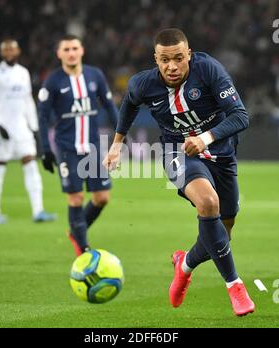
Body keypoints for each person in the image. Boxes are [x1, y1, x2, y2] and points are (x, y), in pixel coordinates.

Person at [103, 28, 255, 316]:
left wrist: (205, 138)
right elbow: (129, 104)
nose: (171, 66)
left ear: (189, 55)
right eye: (164, 60)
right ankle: (235, 286)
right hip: (178, 152)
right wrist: (116, 144)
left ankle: (184, 264)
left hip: (221, 153)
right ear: (155, 59)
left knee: (223, 232)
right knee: (208, 203)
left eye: (177, 58)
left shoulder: (209, 70)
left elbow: (240, 116)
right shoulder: (142, 84)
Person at [38, 34, 118, 256]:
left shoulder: (95, 75)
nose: (71, 53)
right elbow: (42, 117)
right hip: (67, 148)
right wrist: (45, 149)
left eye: (74, 48)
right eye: (66, 49)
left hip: (92, 147)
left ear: (82, 50)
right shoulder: (53, 81)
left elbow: (109, 105)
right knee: (76, 197)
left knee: (102, 197)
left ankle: (76, 231)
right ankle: (83, 249)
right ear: (59, 54)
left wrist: (121, 132)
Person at [0, 39, 56, 224]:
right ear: (1, 53)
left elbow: (27, 101)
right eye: (6, 50)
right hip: (1, 129)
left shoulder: (23, 73)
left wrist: (34, 126)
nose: (9, 53)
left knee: (31, 165)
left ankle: (38, 211)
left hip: (21, 128)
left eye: (12, 49)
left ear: (18, 51)